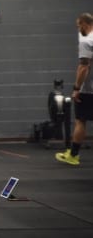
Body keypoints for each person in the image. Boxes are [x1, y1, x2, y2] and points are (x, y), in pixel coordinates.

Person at [55, 12, 93, 166]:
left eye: (79, 26)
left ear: (85, 23)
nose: (79, 30)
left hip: (88, 89)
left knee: (80, 120)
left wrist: (77, 88)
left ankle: (73, 155)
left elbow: (83, 67)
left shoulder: (87, 41)